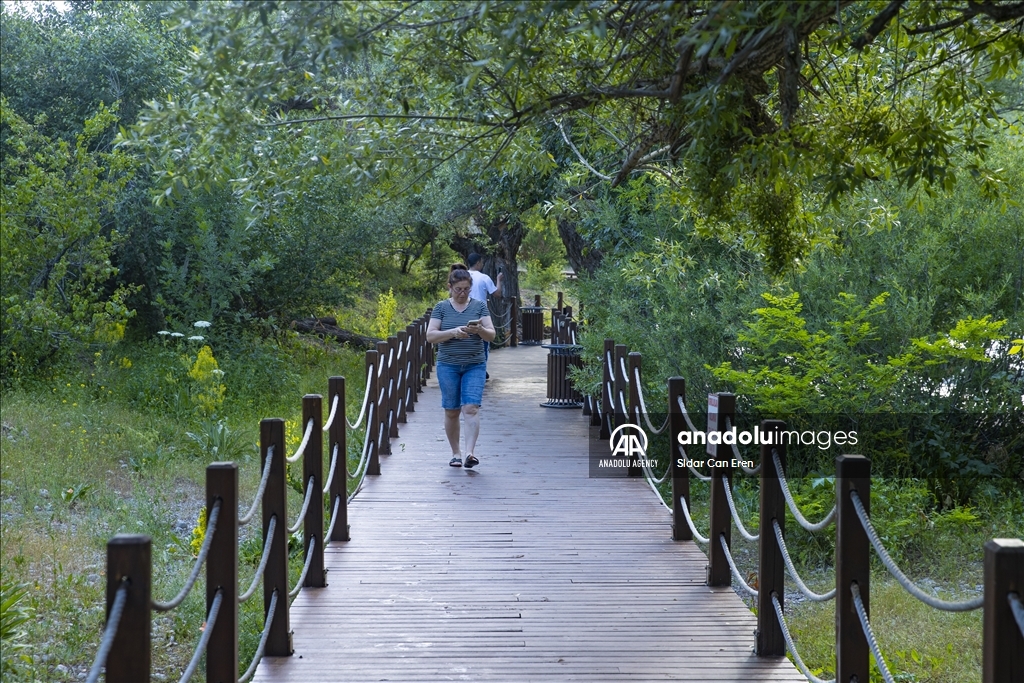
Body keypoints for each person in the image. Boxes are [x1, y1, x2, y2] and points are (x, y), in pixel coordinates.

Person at [425, 266, 496, 468]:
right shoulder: (441, 307)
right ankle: (455, 453)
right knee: (452, 410)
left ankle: (469, 453)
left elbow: (492, 335)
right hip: (448, 365)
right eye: (458, 289)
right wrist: (454, 332)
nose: (463, 293)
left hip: (475, 364)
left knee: (471, 407)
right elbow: (430, 336)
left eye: (466, 289)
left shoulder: (479, 307)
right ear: (450, 287)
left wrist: (480, 329)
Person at [466, 253, 503, 378]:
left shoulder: (462, 276)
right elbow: (497, 293)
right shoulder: (484, 277)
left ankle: (467, 366)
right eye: (481, 262)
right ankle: (481, 367)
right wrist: (499, 279)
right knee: (483, 340)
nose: (482, 264)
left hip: (463, 310)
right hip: (480, 313)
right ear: (477, 263)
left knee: (465, 337)